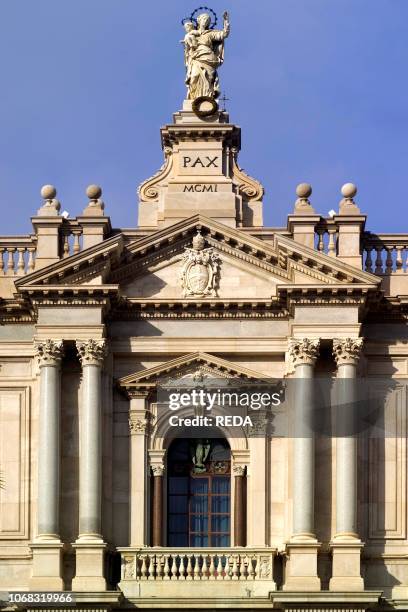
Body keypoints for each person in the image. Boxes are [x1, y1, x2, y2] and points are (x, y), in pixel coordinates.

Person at [185, 11, 230, 100]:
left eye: (208, 20)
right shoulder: (192, 33)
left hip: (209, 57)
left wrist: (226, 22)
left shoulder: (211, 33)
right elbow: (187, 44)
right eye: (204, 19)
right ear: (199, 21)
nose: (206, 21)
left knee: (209, 78)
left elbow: (224, 34)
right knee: (194, 77)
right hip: (196, 57)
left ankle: (208, 97)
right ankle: (195, 98)